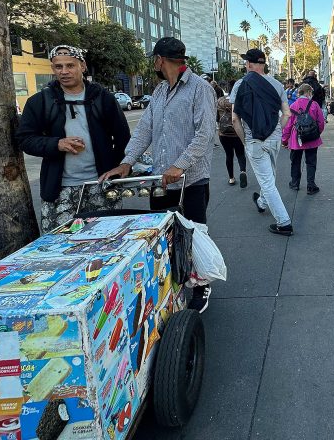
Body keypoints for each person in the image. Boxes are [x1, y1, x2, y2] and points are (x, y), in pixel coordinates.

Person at [100, 37, 216, 312]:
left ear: (159, 60)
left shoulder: (200, 89)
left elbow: (205, 134)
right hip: (160, 180)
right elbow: (144, 131)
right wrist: (127, 162)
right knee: (162, 235)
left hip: (192, 180)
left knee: (194, 235)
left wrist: (181, 165)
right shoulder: (161, 91)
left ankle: (202, 284)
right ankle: (169, 287)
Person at [17, 44, 130, 231]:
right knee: (59, 245)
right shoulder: (40, 102)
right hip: (59, 189)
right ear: (52, 69)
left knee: (107, 241)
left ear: (82, 66)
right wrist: (56, 144)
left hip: (100, 185)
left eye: (70, 65)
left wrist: (119, 167)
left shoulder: (103, 98)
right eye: (58, 67)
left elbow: (123, 138)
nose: (64, 71)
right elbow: (25, 139)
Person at [230, 48, 293, 235]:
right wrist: (277, 131)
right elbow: (287, 114)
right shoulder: (277, 85)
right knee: (270, 175)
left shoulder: (240, 85)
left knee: (267, 182)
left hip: (254, 140)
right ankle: (261, 202)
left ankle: (284, 222)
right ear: (263, 64)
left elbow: (235, 119)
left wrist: (245, 141)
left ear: (249, 64)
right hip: (273, 138)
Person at [282, 83, 325, 195]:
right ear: (308, 92)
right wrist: (316, 133)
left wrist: (285, 140)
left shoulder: (293, 106)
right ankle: (311, 186)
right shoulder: (314, 104)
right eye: (311, 93)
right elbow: (321, 122)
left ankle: (295, 183)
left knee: (295, 161)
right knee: (311, 162)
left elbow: (288, 126)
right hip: (312, 139)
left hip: (296, 139)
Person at [217, 82, 247, 188]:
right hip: (237, 132)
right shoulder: (239, 101)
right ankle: (243, 171)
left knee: (229, 155)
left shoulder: (220, 101)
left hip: (223, 133)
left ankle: (231, 178)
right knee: (240, 154)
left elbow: (217, 118)